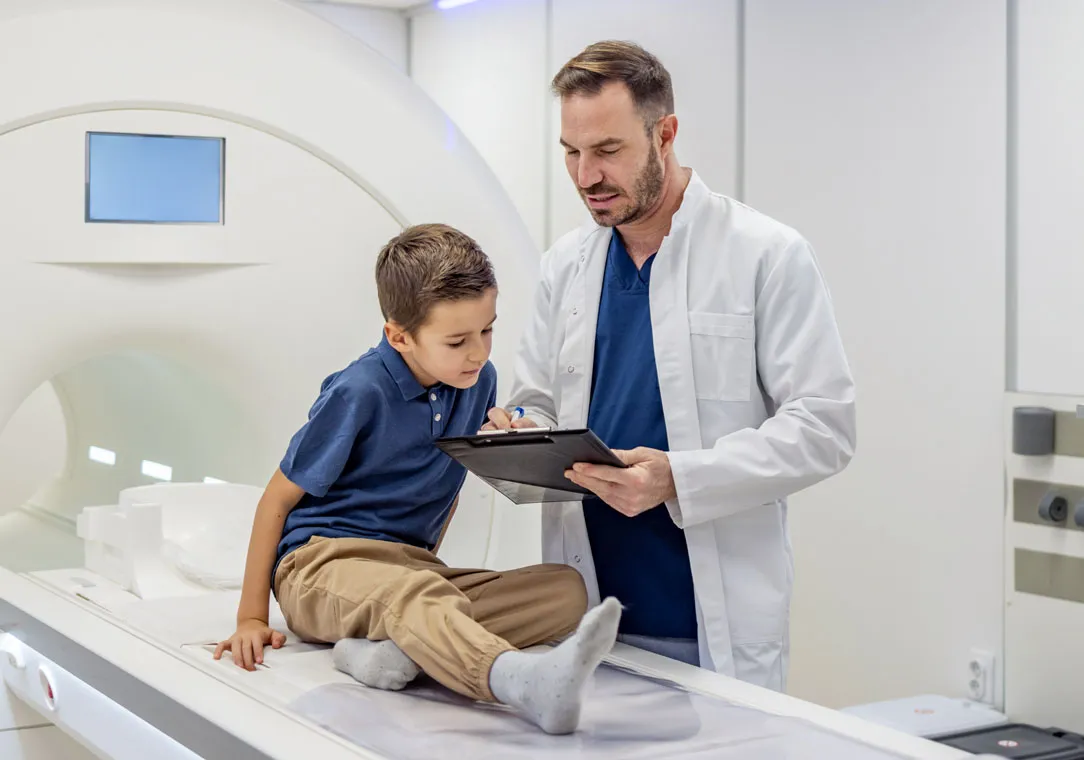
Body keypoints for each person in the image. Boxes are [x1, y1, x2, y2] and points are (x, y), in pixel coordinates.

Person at [485, 41, 856, 692]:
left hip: (710, 627)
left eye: (607, 150)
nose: (585, 176)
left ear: (666, 133)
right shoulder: (564, 266)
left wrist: (678, 478)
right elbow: (539, 403)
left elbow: (824, 430)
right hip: (587, 618)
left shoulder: (765, 255)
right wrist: (515, 435)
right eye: (571, 153)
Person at [213, 223, 622, 735]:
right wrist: (251, 617)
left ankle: (391, 650)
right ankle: (518, 681)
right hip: (321, 565)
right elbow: (276, 498)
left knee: (565, 590)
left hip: (407, 569)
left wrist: (508, 448)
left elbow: (443, 484)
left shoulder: (477, 381)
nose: (478, 352)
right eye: (457, 340)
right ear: (399, 336)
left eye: (487, 330)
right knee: (415, 598)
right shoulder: (359, 391)